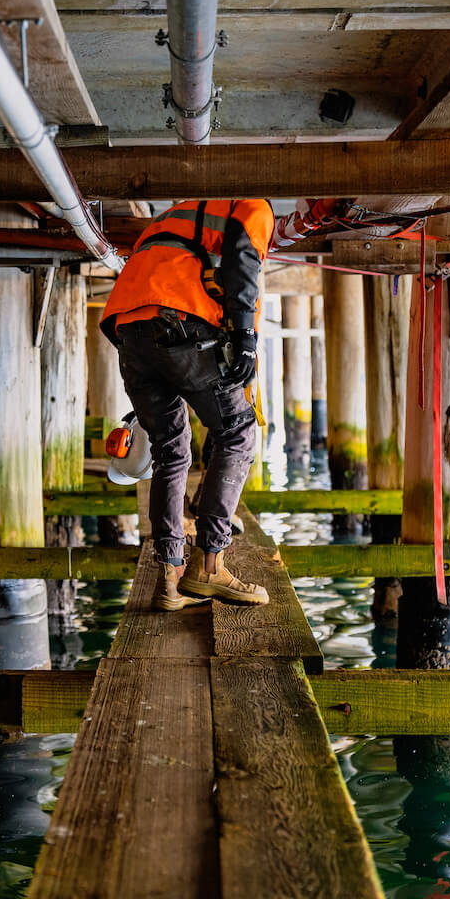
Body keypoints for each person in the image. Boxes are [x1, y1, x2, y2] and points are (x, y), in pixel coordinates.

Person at [100, 198, 274, 611]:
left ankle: (169, 580)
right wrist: (246, 339)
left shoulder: (174, 218)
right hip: (175, 318)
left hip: (129, 329)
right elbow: (243, 259)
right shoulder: (254, 203)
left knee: (171, 451)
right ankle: (210, 564)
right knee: (237, 431)